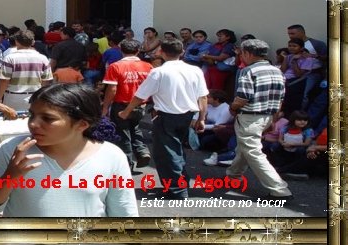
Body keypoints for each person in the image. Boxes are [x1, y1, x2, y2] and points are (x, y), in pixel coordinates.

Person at [0, 83, 138, 217]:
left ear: (82, 124)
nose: (33, 124)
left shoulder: (111, 156)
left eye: (48, 118)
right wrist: (10, 177)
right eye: (32, 115)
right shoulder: (12, 150)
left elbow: (124, 214)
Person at [118, 38, 208, 199]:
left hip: (167, 116)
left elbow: (140, 95)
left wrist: (126, 111)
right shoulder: (195, 71)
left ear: (161, 52)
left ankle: (177, 189)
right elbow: (203, 97)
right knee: (177, 150)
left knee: (167, 153)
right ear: (182, 52)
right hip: (187, 115)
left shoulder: (159, 72)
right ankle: (181, 183)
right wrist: (201, 118)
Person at [226, 39, 292, 199]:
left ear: (247, 53)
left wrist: (233, 107)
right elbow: (280, 99)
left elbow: (243, 97)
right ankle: (233, 176)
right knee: (245, 148)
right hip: (268, 115)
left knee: (253, 151)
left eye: (242, 53)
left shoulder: (248, 71)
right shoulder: (277, 71)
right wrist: (273, 120)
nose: (241, 56)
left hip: (250, 117)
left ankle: (280, 190)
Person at [101, 39, 153, 170]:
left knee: (123, 134)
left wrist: (105, 107)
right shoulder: (148, 66)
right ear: (138, 50)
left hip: (121, 104)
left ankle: (126, 164)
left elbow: (112, 89)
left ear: (121, 50)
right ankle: (142, 151)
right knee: (135, 127)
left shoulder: (115, 66)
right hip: (140, 105)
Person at [0, 30, 53, 109]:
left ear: (16, 42)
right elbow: (46, 81)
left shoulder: (9, 58)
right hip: (35, 97)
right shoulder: (43, 59)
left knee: (11, 121)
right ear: (33, 42)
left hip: (13, 97)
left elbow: (4, 80)